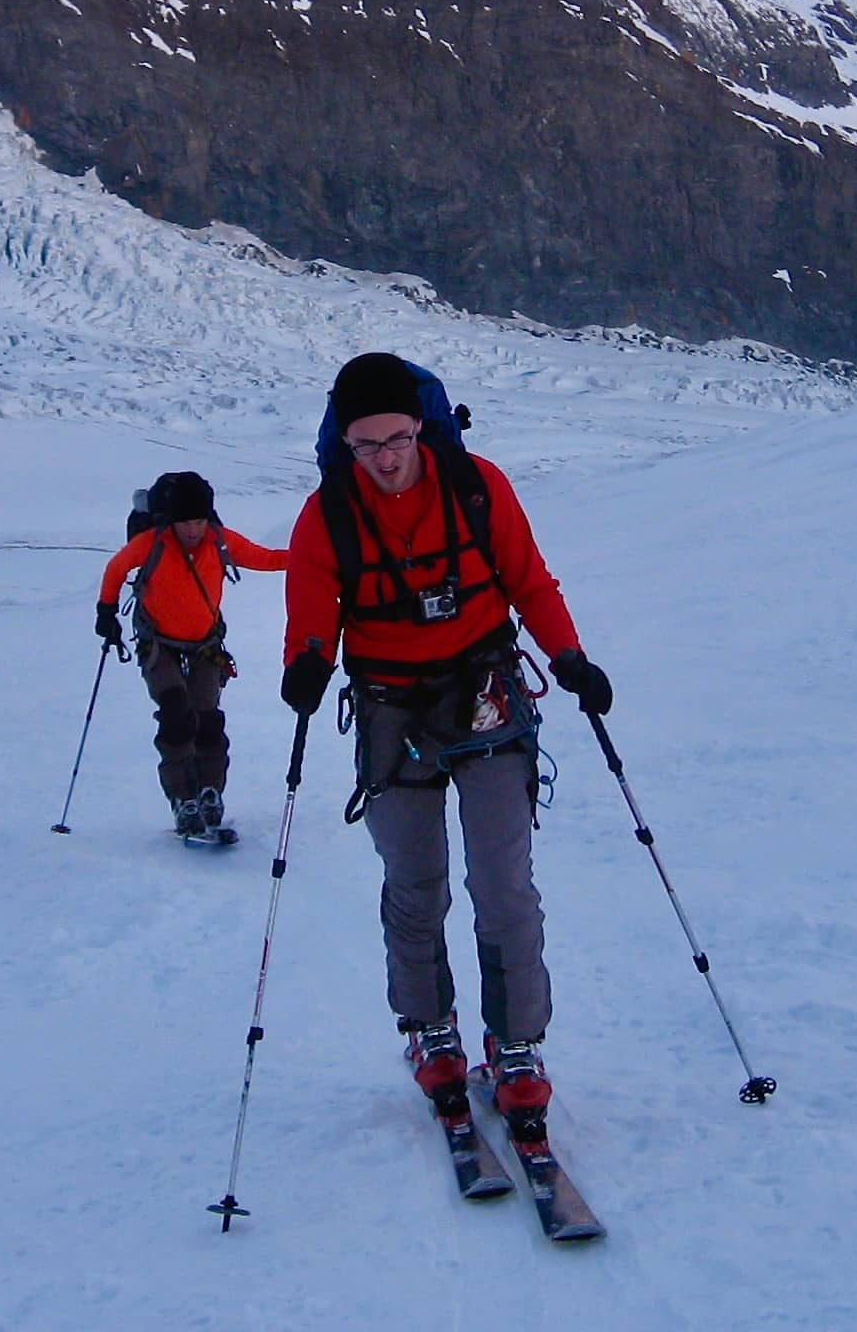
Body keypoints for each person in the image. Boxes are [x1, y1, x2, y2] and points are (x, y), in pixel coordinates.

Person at [278, 353, 610, 1151]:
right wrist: (309, 663)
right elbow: (311, 610)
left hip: (487, 691)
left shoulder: (476, 485)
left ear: (422, 427)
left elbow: (528, 580)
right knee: (415, 881)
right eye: (366, 445)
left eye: (397, 437)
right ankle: (431, 1030)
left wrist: (569, 659)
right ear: (343, 444)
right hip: (392, 705)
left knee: (503, 879)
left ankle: (516, 1041)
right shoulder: (325, 517)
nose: (386, 458)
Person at [94, 471, 287, 840]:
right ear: (172, 520)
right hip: (159, 644)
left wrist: (315, 559)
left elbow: (265, 558)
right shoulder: (153, 543)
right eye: (186, 522)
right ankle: (184, 799)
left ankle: (209, 792)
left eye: (200, 520)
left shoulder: (220, 541)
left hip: (205, 645)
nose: (194, 529)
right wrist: (106, 611)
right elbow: (116, 569)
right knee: (176, 716)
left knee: (207, 720)